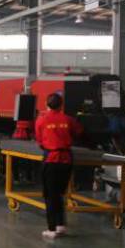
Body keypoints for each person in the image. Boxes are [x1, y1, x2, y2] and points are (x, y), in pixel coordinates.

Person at [34, 93, 82, 240]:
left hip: (51, 160)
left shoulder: (41, 119)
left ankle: (51, 228)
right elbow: (79, 132)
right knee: (59, 194)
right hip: (67, 160)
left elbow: (40, 140)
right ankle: (60, 225)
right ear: (61, 105)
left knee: (50, 195)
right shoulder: (68, 119)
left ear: (46, 104)